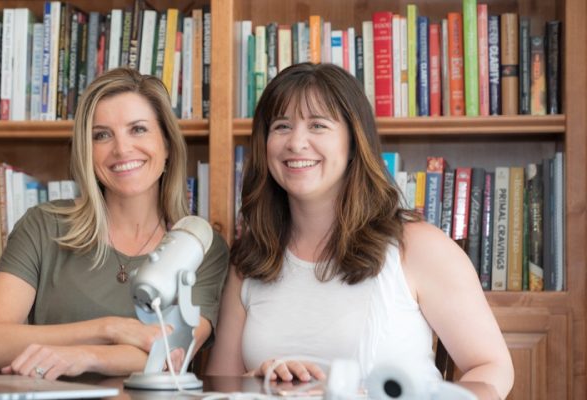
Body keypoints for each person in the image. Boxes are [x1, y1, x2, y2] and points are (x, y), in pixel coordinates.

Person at [205, 63, 513, 399]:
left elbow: (492, 367)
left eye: (318, 125)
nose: (296, 142)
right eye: (281, 126)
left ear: (353, 142)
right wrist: (254, 381)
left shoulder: (417, 246)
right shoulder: (249, 259)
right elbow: (221, 388)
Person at [0, 68, 229, 380]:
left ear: (167, 144)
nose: (122, 149)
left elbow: (170, 354)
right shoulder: (43, 226)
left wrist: (84, 356)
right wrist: (110, 329)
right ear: (87, 151)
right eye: (102, 135)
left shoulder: (198, 244)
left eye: (138, 129)